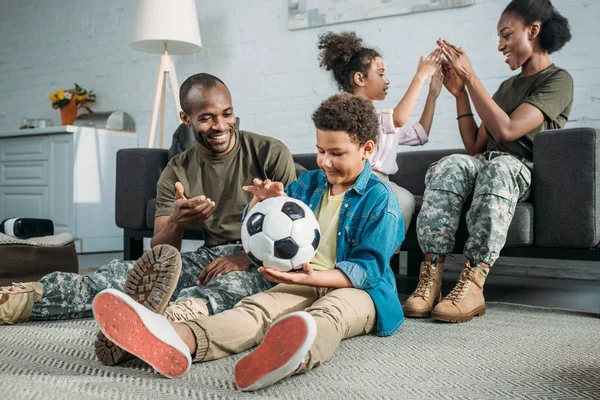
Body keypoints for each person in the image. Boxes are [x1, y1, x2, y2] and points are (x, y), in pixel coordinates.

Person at [91, 93, 405, 390]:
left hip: (358, 290)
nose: (325, 161)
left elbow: (368, 269)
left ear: (366, 149)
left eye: (337, 154)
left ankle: (286, 357)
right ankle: (176, 338)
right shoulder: (308, 184)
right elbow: (259, 229)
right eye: (321, 150)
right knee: (254, 309)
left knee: (328, 315)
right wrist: (261, 202)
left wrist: (313, 276)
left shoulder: (381, 199)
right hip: (300, 279)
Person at [0, 73, 297, 365]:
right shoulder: (177, 169)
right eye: (206, 118)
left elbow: (296, 240)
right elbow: (160, 254)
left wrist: (244, 259)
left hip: (260, 262)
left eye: (227, 114)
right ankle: (23, 300)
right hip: (208, 257)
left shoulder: (269, 153)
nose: (220, 125)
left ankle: (166, 323)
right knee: (121, 275)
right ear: (186, 118)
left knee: (227, 290)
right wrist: (178, 221)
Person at [404, 0, 573, 322]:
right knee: (451, 163)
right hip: (485, 161)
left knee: (499, 166)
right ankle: (431, 277)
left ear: (533, 31)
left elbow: (508, 130)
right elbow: (473, 145)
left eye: (506, 35)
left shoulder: (557, 80)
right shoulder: (506, 87)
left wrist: (471, 77)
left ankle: (474, 282)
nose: (500, 45)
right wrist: (460, 93)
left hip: (517, 168)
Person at [317, 31, 443, 231]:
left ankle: (385, 258)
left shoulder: (384, 121)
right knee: (401, 199)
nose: (387, 81)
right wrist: (420, 77)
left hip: (382, 184)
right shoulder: (349, 116)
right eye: (381, 73)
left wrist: (432, 96)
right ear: (360, 78)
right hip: (358, 183)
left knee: (401, 199)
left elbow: (421, 134)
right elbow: (399, 119)